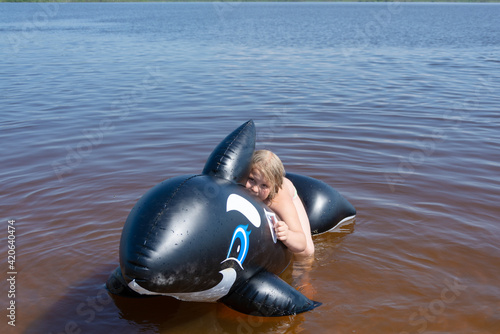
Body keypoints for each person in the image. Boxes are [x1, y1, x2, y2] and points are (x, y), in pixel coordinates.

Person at [245, 150, 315, 257]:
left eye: (264, 185)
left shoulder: (278, 199)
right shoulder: (241, 182)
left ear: (273, 187)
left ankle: (305, 272)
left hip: (289, 193)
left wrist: (287, 235)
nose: (254, 189)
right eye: (251, 179)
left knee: (306, 252)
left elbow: (301, 242)